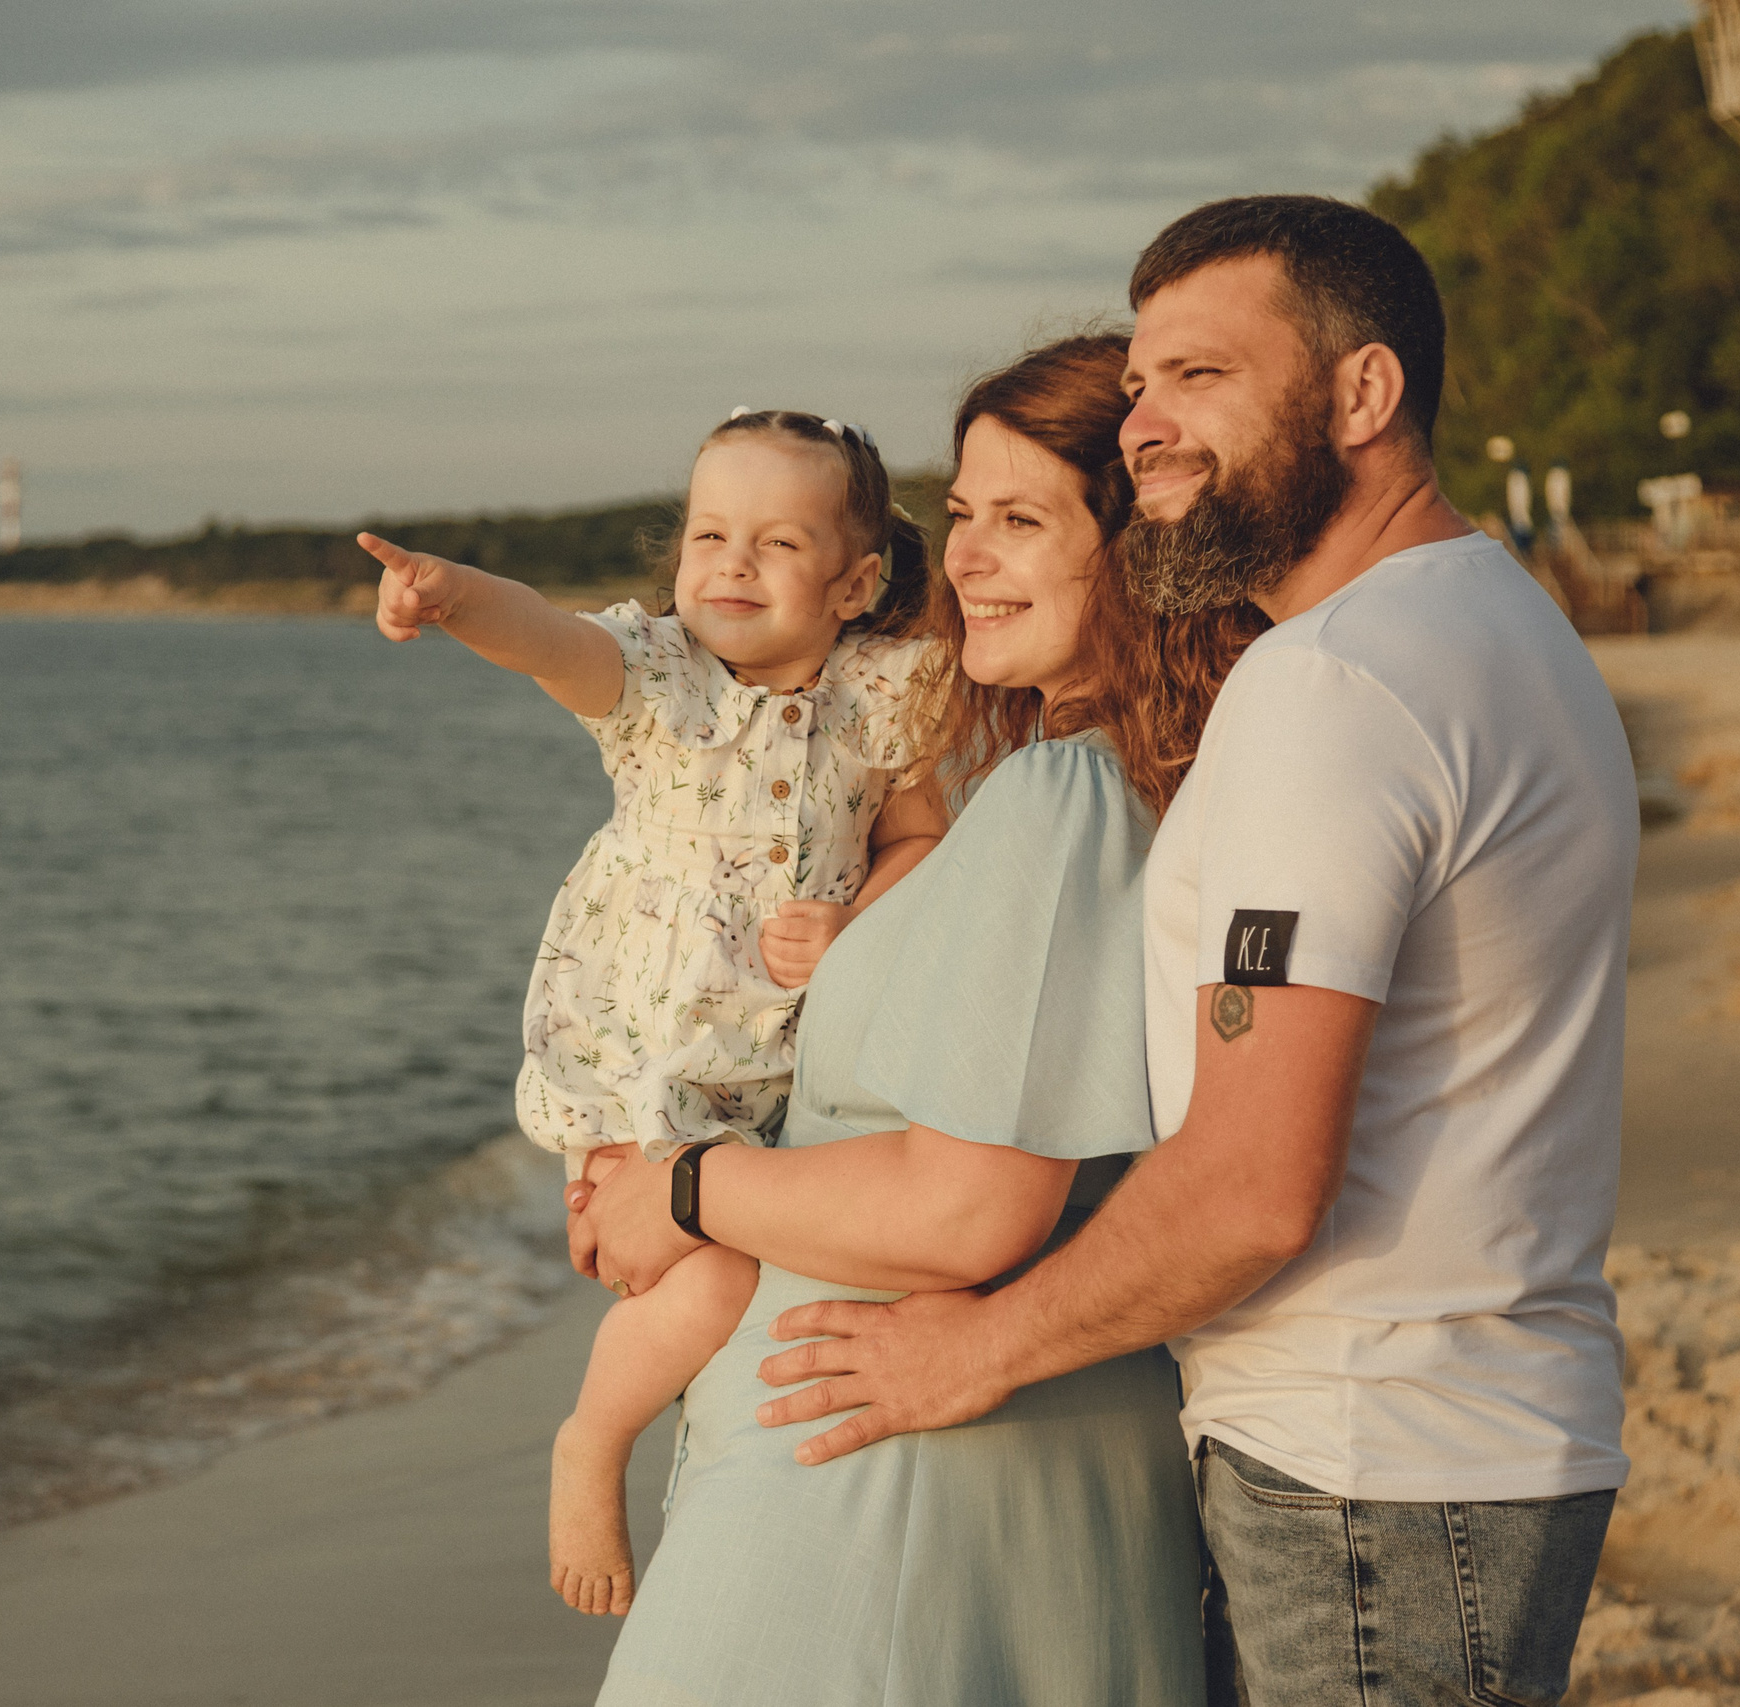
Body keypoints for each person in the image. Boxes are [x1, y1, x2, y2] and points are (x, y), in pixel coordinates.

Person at [707, 197, 1641, 1707]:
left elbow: (1255, 1180)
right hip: (1471, 1434)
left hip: (1367, 1459)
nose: (1148, 427)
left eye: (1203, 376)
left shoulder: (1333, 686)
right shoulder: (1496, 622)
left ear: (1363, 393)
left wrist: (977, 1351)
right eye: (1139, 385)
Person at [570, 334, 1266, 1706]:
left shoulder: (1069, 798)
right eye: (961, 517)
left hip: (889, 1486)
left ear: (1133, 549)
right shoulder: (1098, 784)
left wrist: (691, 1190)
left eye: (1024, 520)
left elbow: (971, 1208)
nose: (970, 561)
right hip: (938, 1457)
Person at [359, 409, 946, 1617]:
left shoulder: (881, 697)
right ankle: (591, 1441)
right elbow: (544, 639)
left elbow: (918, 836)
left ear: (855, 582)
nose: (731, 564)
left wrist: (853, 922)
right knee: (712, 1283)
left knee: (767, 1273)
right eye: (709, 534)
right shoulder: (657, 678)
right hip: (643, 1057)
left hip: (785, 1073)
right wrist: (454, 594)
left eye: (776, 543)